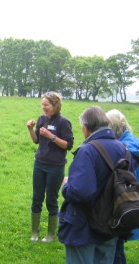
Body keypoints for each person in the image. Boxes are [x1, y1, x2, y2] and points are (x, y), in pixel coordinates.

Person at [58, 106, 132, 264]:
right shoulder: (124, 148)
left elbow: (81, 193)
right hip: (110, 225)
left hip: (83, 227)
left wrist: (67, 185)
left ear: (86, 127)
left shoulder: (87, 150)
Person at [26, 91, 74, 243]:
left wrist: (51, 137)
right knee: (36, 198)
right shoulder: (42, 119)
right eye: (42, 104)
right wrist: (30, 129)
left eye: (46, 104)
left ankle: (51, 234)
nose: (43, 107)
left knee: (51, 200)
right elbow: (36, 141)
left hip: (55, 167)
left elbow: (68, 145)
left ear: (55, 105)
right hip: (39, 164)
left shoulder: (63, 122)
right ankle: (34, 231)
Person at [106, 109, 139, 264]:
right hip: (132, 199)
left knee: (116, 244)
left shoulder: (124, 148)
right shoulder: (133, 142)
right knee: (118, 243)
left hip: (124, 200)